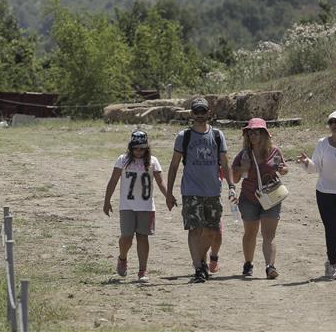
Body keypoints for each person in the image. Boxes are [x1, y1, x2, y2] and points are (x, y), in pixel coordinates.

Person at [166, 97, 235, 283]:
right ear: (191, 114)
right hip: (191, 190)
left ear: (208, 113)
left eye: (203, 111)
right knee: (195, 229)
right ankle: (198, 267)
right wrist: (169, 192)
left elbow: (225, 163)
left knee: (212, 230)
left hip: (213, 190)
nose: (199, 115)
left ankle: (201, 261)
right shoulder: (183, 136)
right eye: (196, 112)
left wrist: (231, 186)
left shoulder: (218, 135)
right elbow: (174, 165)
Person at [297, 110, 336, 280]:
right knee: (332, 229)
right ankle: (335, 265)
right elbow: (315, 168)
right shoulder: (322, 144)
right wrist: (306, 163)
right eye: (331, 122)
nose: (334, 125)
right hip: (325, 193)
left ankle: (330, 261)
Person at [103, 130, 168, 283]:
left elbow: (160, 181)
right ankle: (122, 258)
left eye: (142, 148)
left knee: (143, 237)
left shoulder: (153, 161)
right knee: (126, 237)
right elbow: (113, 180)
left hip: (146, 206)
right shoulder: (122, 160)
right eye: (135, 148)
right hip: (127, 205)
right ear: (130, 148)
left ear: (147, 148)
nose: (138, 151)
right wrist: (107, 200)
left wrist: (168, 196)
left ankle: (142, 270)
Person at [231, 118, 288, 279]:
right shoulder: (244, 155)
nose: (253, 135)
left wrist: (283, 170)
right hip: (249, 198)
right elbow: (235, 179)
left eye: (257, 132)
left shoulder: (274, 152)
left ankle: (270, 267)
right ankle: (248, 263)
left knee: (269, 234)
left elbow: (283, 168)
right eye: (250, 133)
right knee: (250, 232)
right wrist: (242, 168)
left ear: (265, 134)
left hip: (272, 197)